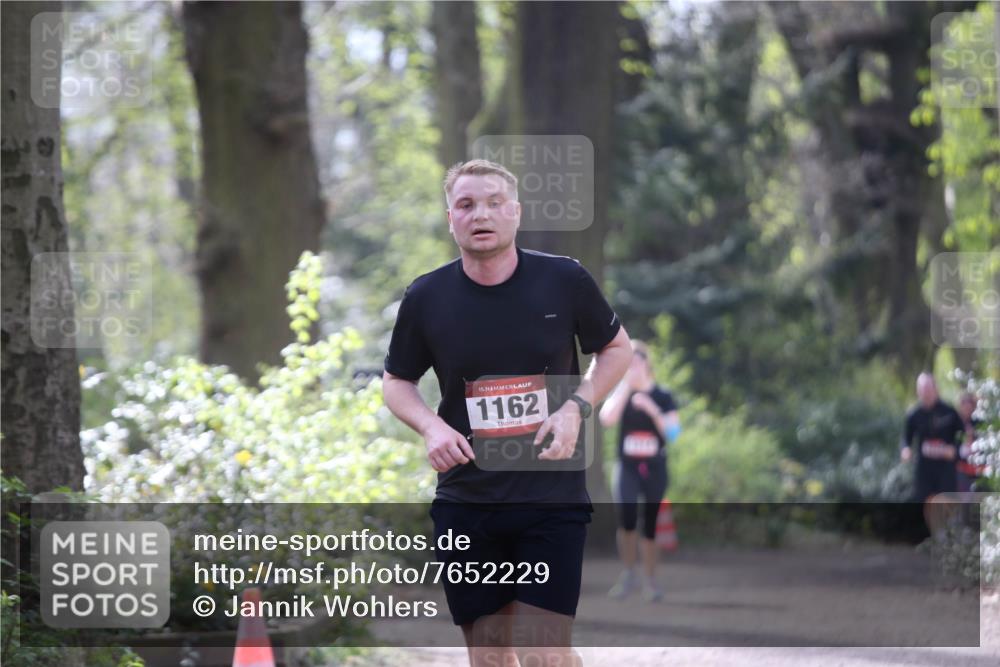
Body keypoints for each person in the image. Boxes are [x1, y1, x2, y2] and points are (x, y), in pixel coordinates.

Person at [382, 159, 632, 667]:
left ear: (515, 213)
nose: (481, 215)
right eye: (467, 204)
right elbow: (396, 382)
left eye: (495, 203)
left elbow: (617, 349)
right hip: (467, 498)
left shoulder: (564, 280)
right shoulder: (427, 296)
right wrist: (431, 426)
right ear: (450, 217)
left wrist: (575, 410)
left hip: (550, 498)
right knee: (491, 657)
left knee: (545, 653)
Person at [599, 340, 680, 602]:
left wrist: (652, 409)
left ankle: (651, 580)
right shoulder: (622, 394)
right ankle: (628, 573)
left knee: (650, 524)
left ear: (647, 363)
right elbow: (606, 419)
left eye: (636, 361)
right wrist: (626, 388)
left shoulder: (663, 396)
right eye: (628, 362)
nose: (632, 366)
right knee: (627, 520)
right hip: (627, 467)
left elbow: (673, 434)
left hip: (655, 468)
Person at [901, 373, 964, 525]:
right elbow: (906, 439)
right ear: (918, 392)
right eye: (923, 390)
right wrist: (906, 450)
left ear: (936, 389)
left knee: (946, 502)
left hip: (945, 468)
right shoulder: (913, 415)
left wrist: (954, 450)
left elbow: (962, 436)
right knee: (926, 503)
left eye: (929, 389)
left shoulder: (949, 411)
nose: (926, 394)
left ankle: (947, 534)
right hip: (924, 468)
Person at [956, 392, 984, 493]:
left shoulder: (979, 423)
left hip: (978, 470)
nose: (967, 407)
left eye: (970, 403)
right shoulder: (955, 424)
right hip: (962, 471)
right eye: (964, 403)